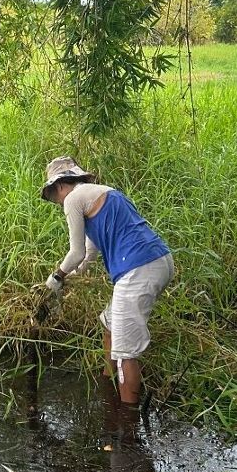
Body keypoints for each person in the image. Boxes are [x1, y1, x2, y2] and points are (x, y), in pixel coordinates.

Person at [40, 156, 174, 405]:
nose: (57, 202)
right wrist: (73, 277)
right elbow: (89, 253)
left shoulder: (72, 199)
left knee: (126, 353)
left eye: (52, 195)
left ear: (59, 186)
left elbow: (76, 252)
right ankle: (108, 382)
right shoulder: (101, 193)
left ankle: (125, 419)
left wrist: (56, 276)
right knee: (109, 324)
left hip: (137, 269)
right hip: (160, 261)